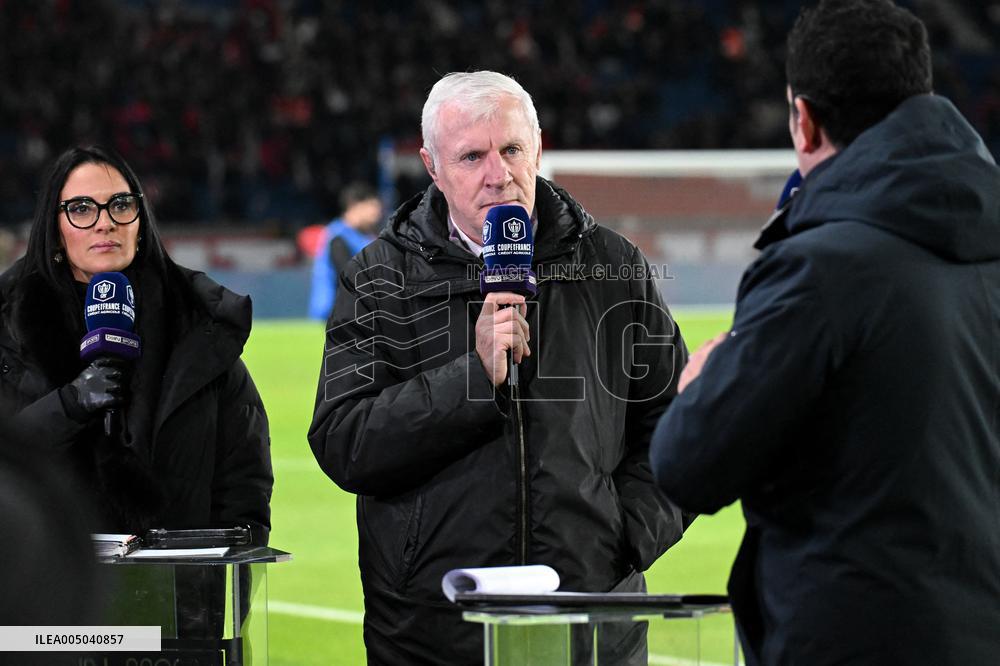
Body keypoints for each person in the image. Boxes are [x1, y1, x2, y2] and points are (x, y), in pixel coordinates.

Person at [648, 2, 1000, 665]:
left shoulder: (821, 269)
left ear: (804, 120)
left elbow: (689, 464)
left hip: (855, 640)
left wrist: (702, 383)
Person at [308, 71, 689, 664]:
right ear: (433, 167)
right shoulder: (379, 276)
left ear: (537, 148)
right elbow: (344, 439)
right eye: (472, 156)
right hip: (433, 633)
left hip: (588, 623)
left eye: (511, 149)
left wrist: (626, 535)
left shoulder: (613, 266)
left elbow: (679, 424)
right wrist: (472, 377)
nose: (498, 174)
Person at [0, 145, 273, 548]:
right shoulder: (10, 328)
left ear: (140, 221)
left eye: (121, 205)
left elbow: (243, 473)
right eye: (81, 209)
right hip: (47, 578)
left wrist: (225, 566)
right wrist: (70, 404)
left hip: (178, 580)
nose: (105, 223)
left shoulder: (199, 321)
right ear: (53, 230)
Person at [307, 182, 383, 320]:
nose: (377, 212)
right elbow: (347, 276)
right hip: (334, 315)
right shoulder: (338, 238)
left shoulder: (366, 237)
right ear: (354, 206)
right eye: (372, 206)